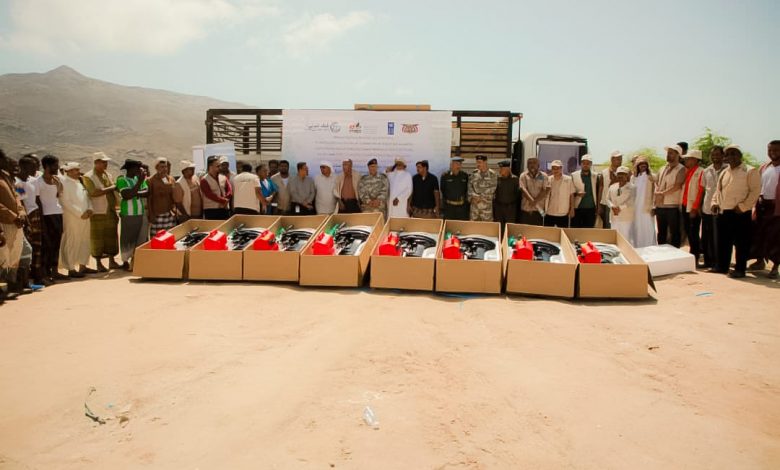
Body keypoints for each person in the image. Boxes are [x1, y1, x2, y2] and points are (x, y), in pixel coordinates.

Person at [711, 145, 761, 278]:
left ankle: (740, 269)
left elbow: (755, 191)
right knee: (723, 241)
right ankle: (722, 267)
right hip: (723, 211)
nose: (730, 157)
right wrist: (715, 203)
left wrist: (743, 206)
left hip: (740, 212)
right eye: (727, 154)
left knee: (741, 243)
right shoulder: (725, 171)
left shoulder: (750, 170)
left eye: (734, 153)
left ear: (740, 155)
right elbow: (718, 190)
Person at [82, 152, 120, 272]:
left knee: (112, 237)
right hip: (97, 212)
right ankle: (98, 263)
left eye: (106, 162)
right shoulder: (88, 177)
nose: (105, 164)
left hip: (110, 211)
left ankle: (112, 261)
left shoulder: (108, 175)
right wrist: (112, 187)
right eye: (103, 162)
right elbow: (93, 192)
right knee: (97, 238)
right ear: (96, 162)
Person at [748, 140, 780, 278]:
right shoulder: (764, 167)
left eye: (776, 150)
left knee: (775, 237)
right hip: (762, 206)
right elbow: (758, 186)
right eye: (770, 150)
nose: (772, 153)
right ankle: (759, 261)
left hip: (776, 208)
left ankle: (775, 267)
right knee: (759, 233)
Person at [34, 154, 67, 282]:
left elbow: (58, 195)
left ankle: (55, 271)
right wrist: (41, 219)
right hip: (46, 216)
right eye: (55, 165)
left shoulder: (56, 180)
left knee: (56, 244)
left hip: (57, 214)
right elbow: (37, 201)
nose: (57, 167)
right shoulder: (38, 182)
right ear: (47, 166)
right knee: (46, 246)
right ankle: (45, 274)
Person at [58, 162, 94, 278]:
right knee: (72, 241)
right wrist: (80, 213)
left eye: (78, 169)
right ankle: (71, 268)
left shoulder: (79, 182)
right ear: (68, 171)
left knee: (84, 240)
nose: (78, 172)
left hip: (86, 216)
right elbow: (65, 201)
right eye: (75, 170)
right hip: (72, 217)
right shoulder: (64, 183)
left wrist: (90, 209)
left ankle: (83, 265)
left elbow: (87, 197)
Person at [0, 149, 27, 298]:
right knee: (3, 255)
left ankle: (12, 284)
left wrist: (21, 212)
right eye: (4, 159)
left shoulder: (7, 177)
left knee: (15, 253)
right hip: (4, 222)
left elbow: (17, 196)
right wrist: (12, 216)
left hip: (17, 221)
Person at [16, 155, 45, 285]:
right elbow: (21, 202)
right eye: (33, 167)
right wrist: (26, 220)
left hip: (35, 214)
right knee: (27, 248)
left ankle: (38, 276)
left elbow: (37, 200)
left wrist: (41, 217)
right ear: (24, 167)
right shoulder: (17, 182)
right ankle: (25, 279)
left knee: (37, 247)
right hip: (26, 217)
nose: (35, 170)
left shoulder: (33, 181)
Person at [116, 159, 149, 270]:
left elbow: (147, 192)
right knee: (127, 238)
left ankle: (136, 260)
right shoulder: (122, 180)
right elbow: (126, 195)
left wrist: (134, 192)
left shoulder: (137, 179)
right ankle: (125, 261)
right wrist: (138, 185)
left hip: (140, 212)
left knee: (140, 238)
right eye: (138, 168)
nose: (140, 170)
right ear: (131, 169)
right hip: (128, 214)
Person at [654, 144, 686, 247]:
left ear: (678, 155)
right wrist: (657, 193)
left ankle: (675, 254)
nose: (668, 155)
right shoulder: (662, 168)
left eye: (671, 153)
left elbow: (677, 185)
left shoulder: (681, 169)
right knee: (661, 233)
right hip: (660, 206)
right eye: (668, 153)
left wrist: (662, 193)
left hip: (672, 207)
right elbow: (656, 182)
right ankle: (661, 253)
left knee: (674, 232)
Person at [701, 146, 726, 269]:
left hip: (722, 208)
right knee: (708, 237)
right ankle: (708, 262)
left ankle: (719, 263)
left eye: (717, 154)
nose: (715, 157)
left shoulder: (727, 169)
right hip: (707, 208)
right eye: (713, 155)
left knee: (720, 238)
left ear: (723, 156)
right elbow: (703, 189)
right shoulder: (706, 171)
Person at [681, 150, 705, 264]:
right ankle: (693, 254)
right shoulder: (688, 171)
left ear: (695, 160)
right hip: (685, 205)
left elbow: (700, 190)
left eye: (688, 159)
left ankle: (695, 256)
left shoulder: (701, 172)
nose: (686, 161)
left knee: (693, 232)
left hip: (692, 207)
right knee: (688, 231)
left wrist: (695, 208)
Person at [630, 157, 657, 248]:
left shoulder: (652, 177)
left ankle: (649, 247)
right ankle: (638, 247)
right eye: (641, 164)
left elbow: (656, 192)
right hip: (635, 208)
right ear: (637, 166)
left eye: (645, 164)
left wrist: (654, 206)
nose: (643, 165)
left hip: (647, 207)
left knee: (648, 227)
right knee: (637, 227)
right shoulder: (633, 178)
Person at [147, 157, 178, 233]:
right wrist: (151, 214)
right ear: (156, 168)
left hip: (170, 214)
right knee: (157, 237)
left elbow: (174, 196)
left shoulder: (171, 179)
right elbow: (149, 198)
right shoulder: (151, 180)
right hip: (157, 215)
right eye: (162, 167)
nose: (164, 169)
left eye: (165, 167)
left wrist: (175, 211)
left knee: (169, 236)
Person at [606, 166, 635, 242]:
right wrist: (612, 206)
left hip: (626, 217)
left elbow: (632, 201)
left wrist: (619, 208)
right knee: (614, 237)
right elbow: (607, 199)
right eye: (619, 174)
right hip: (614, 216)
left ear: (627, 176)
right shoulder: (612, 186)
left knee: (625, 238)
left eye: (623, 174)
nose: (620, 176)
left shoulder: (633, 187)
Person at [571, 154, 600, 228]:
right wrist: (577, 193)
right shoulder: (574, 175)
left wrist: (598, 207)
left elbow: (598, 192)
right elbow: (570, 191)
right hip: (577, 208)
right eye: (584, 163)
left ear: (591, 164)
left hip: (591, 208)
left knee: (588, 230)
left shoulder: (596, 176)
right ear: (581, 164)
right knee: (575, 230)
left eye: (588, 163)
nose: (585, 165)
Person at [544, 160, 575, 227]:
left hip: (563, 212)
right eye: (553, 168)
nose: (555, 170)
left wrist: (572, 209)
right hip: (550, 211)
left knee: (562, 231)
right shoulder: (548, 179)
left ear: (561, 168)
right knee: (548, 231)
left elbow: (572, 195)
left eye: (557, 168)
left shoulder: (568, 179)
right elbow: (544, 194)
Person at [519, 156, 549, 225]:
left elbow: (545, 190)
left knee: (537, 231)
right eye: (530, 163)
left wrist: (534, 202)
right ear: (527, 165)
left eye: (534, 163)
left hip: (539, 210)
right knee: (525, 230)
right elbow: (523, 190)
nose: (532, 165)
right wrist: (532, 201)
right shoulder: (523, 175)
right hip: (526, 209)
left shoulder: (544, 176)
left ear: (538, 165)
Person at [200, 155, 232, 220]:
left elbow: (229, 190)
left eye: (220, 165)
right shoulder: (204, 180)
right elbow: (209, 194)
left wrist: (226, 199)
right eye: (217, 166)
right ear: (210, 166)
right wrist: (223, 200)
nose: (220, 167)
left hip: (224, 209)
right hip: (211, 210)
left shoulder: (223, 177)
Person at [468, 155, 498, 221]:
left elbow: (493, 188)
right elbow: (469, 186)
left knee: (486, 226)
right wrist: (474, 195)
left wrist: (480, 197)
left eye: (479, 162)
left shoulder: (492, 174)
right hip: (475, 208)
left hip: (486, 208)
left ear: (485, 162)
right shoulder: (474, 174)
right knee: (473, 226)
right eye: (477, 162)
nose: (477, 164)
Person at [599, 151, 623, 228]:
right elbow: (600, 188)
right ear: (612, 160)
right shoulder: (604, 172)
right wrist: (599, 205)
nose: (620, 161)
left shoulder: (625, 172)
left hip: (621, 204)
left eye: (621, 159)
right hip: (607, 204)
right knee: (608, 225)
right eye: (618, 159)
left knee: (620, 226)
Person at [493, 160, 518, 227]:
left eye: (502, 169)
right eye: (500, 168)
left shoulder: (515, 179)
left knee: (510, 227)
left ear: (508, 169)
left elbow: (518, 194)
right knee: (499, 226)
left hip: (510, 208)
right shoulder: (497, 179)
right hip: (499, 208)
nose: (500, 170)